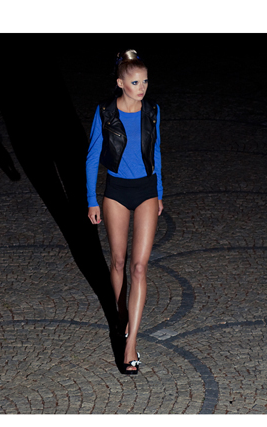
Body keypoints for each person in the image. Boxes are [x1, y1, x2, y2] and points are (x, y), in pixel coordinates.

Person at [86, 49, 164, 375]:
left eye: (145, 81)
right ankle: (121, 318)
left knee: (139, 267)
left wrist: (159, 193)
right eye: (134, 82)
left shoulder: (152, 111)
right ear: (120, 83)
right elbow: (92, 156)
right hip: (116, 192)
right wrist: (91, 200)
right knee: (118, 261)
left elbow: (156, 151)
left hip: (146, 191)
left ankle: (130, 345)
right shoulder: (105, 112)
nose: (141, 87)